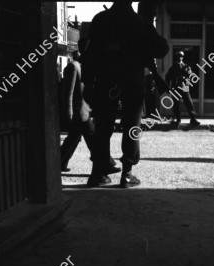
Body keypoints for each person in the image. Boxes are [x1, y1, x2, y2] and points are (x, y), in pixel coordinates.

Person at [83, 0, 169, 188]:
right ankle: (127, 174)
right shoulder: (140, 22)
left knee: (103, 127)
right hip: (132, 83)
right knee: (132, 126)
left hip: (106, 82)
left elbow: (89, 54)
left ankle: (97, 172)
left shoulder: (100, 19)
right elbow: (162, 49)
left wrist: (88, 84)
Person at [59, 45, 119, 177]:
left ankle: (59, 162)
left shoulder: (84, 67)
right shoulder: (74, 66)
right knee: (93, 136)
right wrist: (68, 113)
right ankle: (106, 164)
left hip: (83, 108)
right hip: (79, 110)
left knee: (73, 138)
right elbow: (67, 93)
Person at [165, 51, 200, 128]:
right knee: (176, 104)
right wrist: (168, 87)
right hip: (176, 87)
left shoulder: (186, 66)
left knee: (189, 103)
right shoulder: (173, 67)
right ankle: (178, 119)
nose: (180, 58)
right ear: (176, 57)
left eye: (181, 56)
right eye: (179, 56)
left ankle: (193, 118)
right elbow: (167, 77)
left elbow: (191, 75)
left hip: (184, 87)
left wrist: (188, 71)